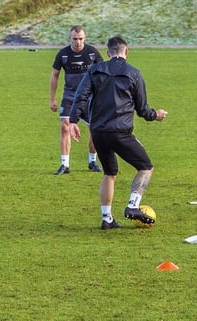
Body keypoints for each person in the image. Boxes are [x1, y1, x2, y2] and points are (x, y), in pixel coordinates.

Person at [69, 36, 167, 230]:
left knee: (109, 173)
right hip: (120, 131)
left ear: (108, 53)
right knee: (146, 167)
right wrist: (156, 115)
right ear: (126, 52)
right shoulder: (134, 73)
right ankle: (133, 205)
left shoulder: (94, 70)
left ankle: (107, 219)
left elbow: (81, 96)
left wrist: (73, 121)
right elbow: (142, 109)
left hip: (97, 132)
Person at [49, 25, 104, 175]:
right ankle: (64, 164)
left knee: (94, 129)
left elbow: (103, 73)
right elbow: (54, 75)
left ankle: (92, 161)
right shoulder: (63, 54)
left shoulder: (93, 53)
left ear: (85, 38)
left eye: (80, 39)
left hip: (89, 97)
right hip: (69, 96)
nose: (78, 42)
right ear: (70, 38)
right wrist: (52, 99)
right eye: (75, 39)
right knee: (65, 127)